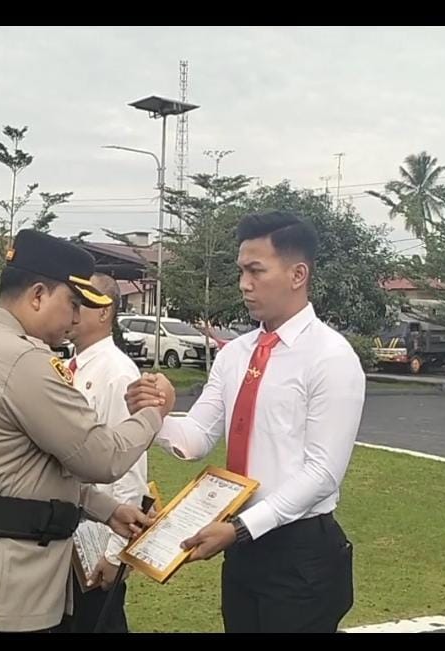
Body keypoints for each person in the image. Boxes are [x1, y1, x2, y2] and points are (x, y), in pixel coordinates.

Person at [0, 230, 171, 633]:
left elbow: (23, 472)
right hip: (2, 595)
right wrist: (155, 412)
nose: (75, 319)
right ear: (37, 295)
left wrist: (106, 509)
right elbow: (101, 457)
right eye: (72, 304)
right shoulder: (23, 360)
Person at [126, 210, 364, 633]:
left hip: (299, 550)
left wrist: (240, 528)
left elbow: (323, 473)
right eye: (241, 271)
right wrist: (154, 414)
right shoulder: (236, 353)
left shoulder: (330, 357)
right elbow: (196, 438)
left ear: (298, 274)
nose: (244, 284)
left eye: (256, 271)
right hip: (242, 547)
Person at [65, 273, 145, 634]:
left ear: (104, 311)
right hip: (66, 533)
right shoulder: (70, 366)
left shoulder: (117, 372)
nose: (71, 310)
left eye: (81, 303)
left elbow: (130, 466)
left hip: (98, 538)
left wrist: (115, 553)